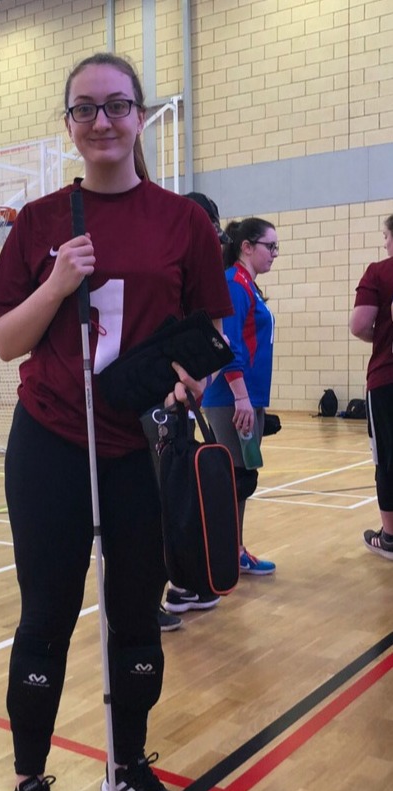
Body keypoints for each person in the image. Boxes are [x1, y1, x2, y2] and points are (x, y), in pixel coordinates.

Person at [0, 52, 233, 791]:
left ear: (138, 117)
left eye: (116, 107)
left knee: (134, 616)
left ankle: (126, 766)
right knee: (47, 619)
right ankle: (28, 783)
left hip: (133, 447)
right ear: (68, 124)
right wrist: (55, 284)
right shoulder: (39, 222)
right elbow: (3, 341)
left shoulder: (182, 222)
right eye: (84, 109)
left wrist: (194, 376)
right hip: (50, 441)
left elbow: (208, 331)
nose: (100, 122)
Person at [161, 191, 232, 624]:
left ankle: (187, 582)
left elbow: (215, 337)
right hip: (157, 405)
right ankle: (150, 596)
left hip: (185, 402)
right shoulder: (167, 271)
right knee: (157, 503)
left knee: (182, 499)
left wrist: (200, 382)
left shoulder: (206, 276)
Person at [200, 216, 279, 575]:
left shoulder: (247, 284)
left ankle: (233, 550)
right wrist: (241, 397)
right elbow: (226, 343)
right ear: (247, 247)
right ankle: (222, 555)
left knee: (242, 478)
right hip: (230, 398)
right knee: (234, 480)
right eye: (270, 246)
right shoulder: (234, 283)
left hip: (247, 396)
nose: (275, 253)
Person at [349, 214, 393, 560]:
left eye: (386, 235)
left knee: (388, 459)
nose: (384, 242)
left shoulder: (379, 271)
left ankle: (390, 537)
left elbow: (360, 324)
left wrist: (380, 337)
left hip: (387, 379)